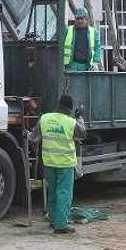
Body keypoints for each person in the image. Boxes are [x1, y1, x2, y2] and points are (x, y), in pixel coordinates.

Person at [29, 94, 86, 234]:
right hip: (65, 164)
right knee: (64, 193)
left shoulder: (45, 119)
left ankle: (53, 219)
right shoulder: (71, 122)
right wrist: (80, 118)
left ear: (58, 105)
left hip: (48, 162)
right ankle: (61, 225)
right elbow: (82, 134)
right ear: (70, 108)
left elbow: (33, 138)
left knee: (53, 192)